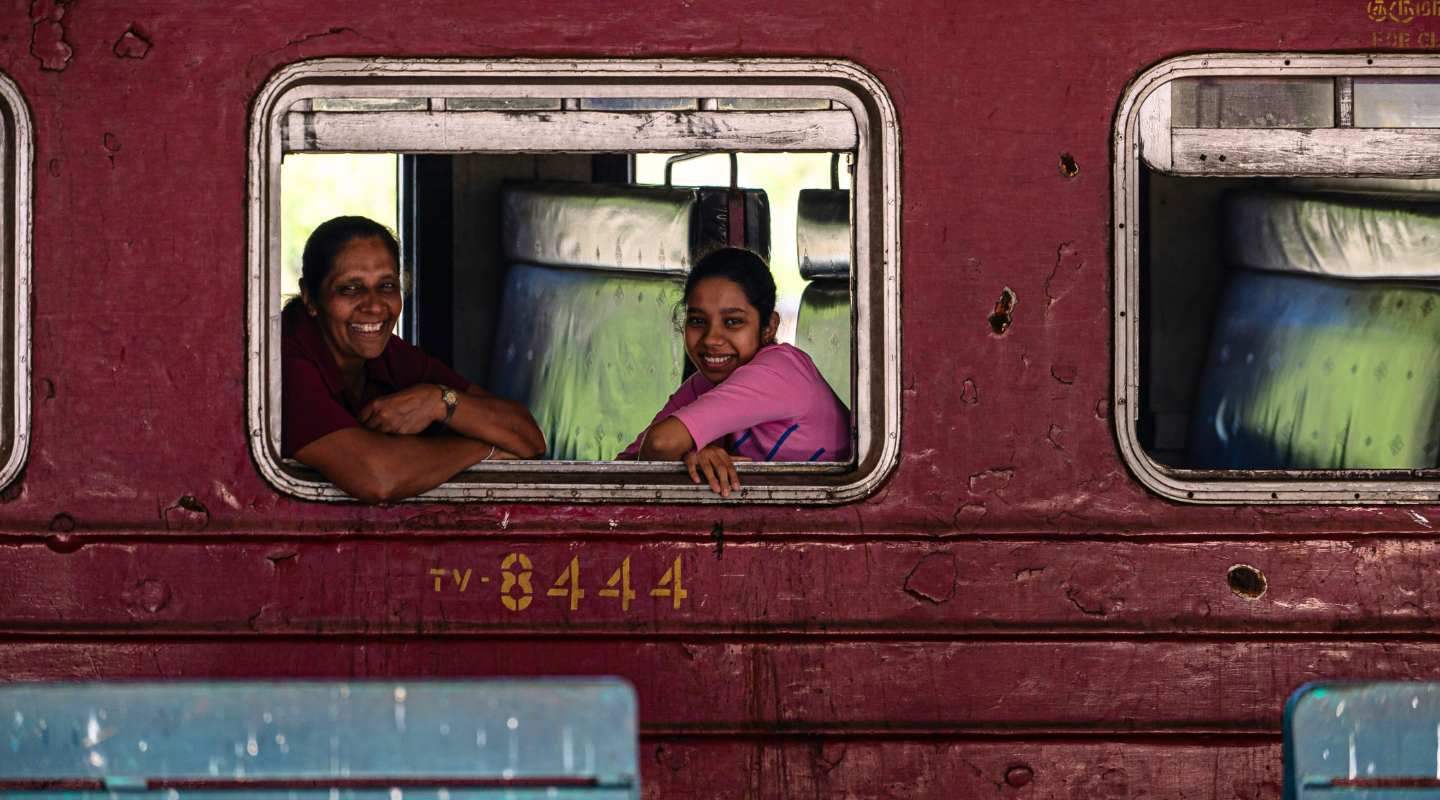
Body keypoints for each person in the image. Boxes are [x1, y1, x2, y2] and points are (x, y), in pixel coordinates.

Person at [282, 216, 545, 503]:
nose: (374, 306)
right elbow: (378, 478)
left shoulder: (387, 354)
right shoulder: (286, 360)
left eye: (386, 286)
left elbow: (529, 437)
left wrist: (439, 402)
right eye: (350, 289)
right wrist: (485, 449)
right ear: (309, 297)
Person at [617, 247, 850, 496]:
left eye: (733, 322)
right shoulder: (706, 383)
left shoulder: (780, 372)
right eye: (697, 321)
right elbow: (626, 464)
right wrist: (690, 455)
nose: (711, 339)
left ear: (769, 327)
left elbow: (661, 444)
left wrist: (680, 452)